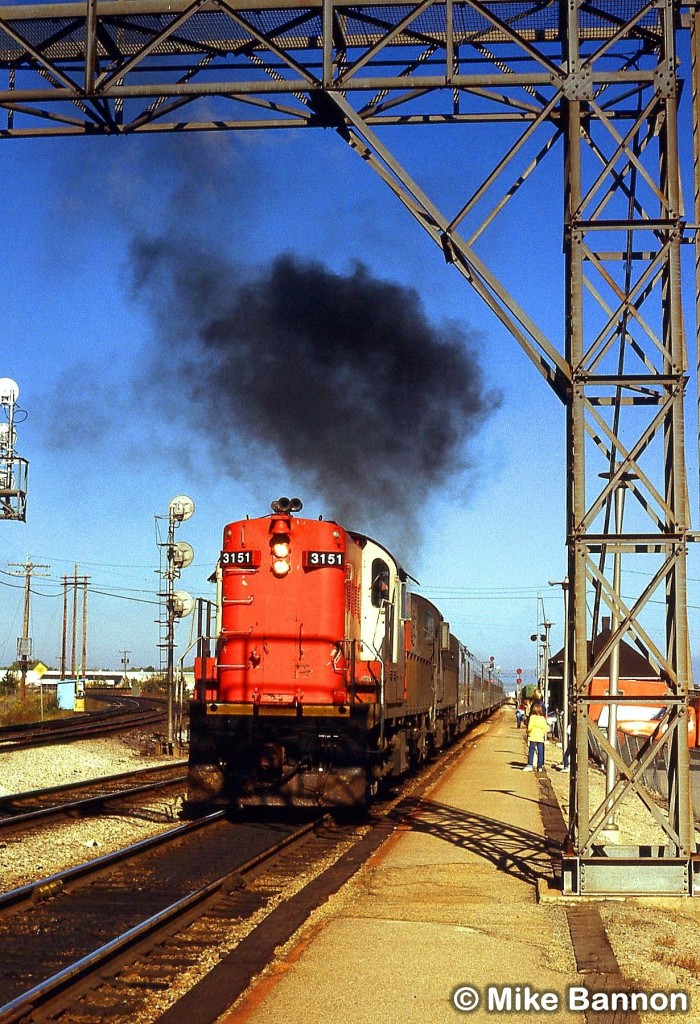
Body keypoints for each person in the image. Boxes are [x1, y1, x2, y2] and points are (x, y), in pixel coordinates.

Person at [523, 700, 548, 772]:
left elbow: (530, 727)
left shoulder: (532, 717)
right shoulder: (543, 718)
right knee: (540, 752)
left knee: (531, 751)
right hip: (540, 738)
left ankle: (530, 765)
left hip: (533, 737)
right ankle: (539, 767)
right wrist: (542, 733)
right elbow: (545, 728)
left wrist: (528, 731)